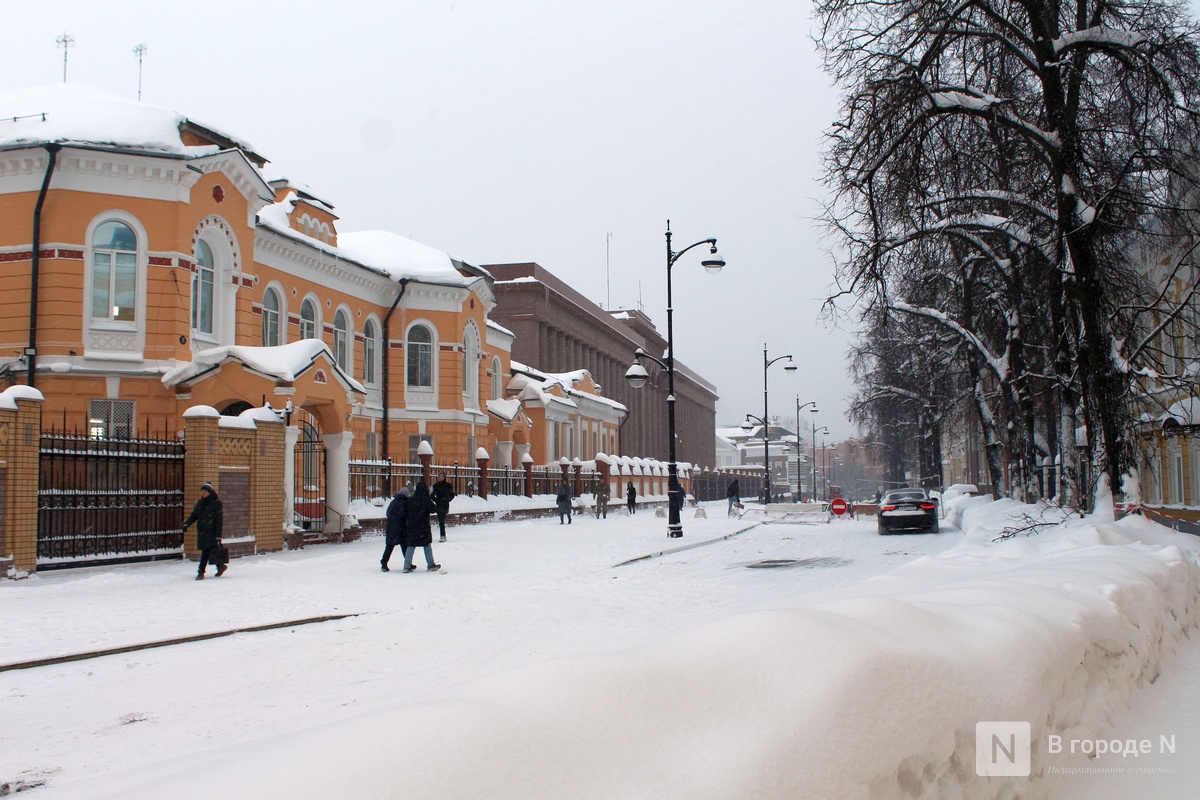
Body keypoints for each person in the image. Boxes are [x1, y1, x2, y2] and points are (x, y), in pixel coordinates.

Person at [182, 482, 224, 580]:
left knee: (206, 552)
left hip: (212, 532)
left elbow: (219, 520)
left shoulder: (216, 503)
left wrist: (218, 534)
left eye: (204, 491)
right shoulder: (200, 503)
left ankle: (201, 572)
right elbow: (194, 515)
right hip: (202, 531)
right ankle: (220, 566)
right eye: (202, 491)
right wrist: (186, 524)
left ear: (209, 492)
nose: (203, 493)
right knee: (211, 551)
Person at [402, 480, 440, 572]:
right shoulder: (426, 500)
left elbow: (405, 511)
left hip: (412, 526)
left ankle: (407, 566)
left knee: (411, 546)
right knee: (426, 546)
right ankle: (430, 564)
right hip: (423, 527)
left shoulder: (410, 500)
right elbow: (433, 509)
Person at [381, 485, 409, 572]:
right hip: (400, 528)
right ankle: (408, 563)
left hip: (391, 527)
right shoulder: (404, 503)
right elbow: (403, 515)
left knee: (389, 546)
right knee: (405, 546)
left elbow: (388, 513)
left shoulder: (393, 501)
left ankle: (384, 563)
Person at [431, 473, 455, 542]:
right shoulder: (436, 486)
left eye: (441, 476)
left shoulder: (448, 485)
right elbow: (432, 495)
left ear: (444, 477)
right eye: (439, 476)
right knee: (441, 520)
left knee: (442, 520)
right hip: (439, 505)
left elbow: (452, 495)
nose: (439, 478)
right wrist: (436, 500)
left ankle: (443, 535)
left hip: (445, 505)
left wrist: (447, 500)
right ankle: (442, 535)